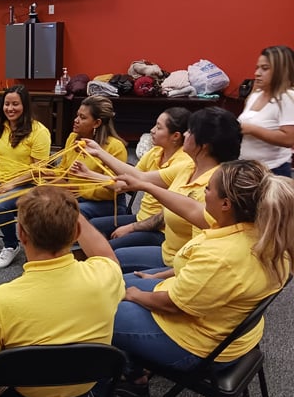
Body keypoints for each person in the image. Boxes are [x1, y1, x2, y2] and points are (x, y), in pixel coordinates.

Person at [112, 160, 294, 397]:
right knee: (120, 284)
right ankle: (133, 367)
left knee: (98, 307)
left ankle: (130, 382)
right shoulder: (261, 230)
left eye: (208, 189)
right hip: (224, 326)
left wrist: (135, 296)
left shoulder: (224, 256)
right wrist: (145, 185)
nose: (203, 194)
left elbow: (172, 304)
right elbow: (191, 210)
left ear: (226, 204)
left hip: (199, 346)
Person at [0, 186, 124, 397]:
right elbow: (107, 256)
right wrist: (70, 210)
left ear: (21, 234)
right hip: (85, 389)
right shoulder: (105, 277)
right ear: (76, 232)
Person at [81, 107, 242, 282]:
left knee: (115, 278)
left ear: (203, 146)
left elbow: (198, 257)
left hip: (181, 267)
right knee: (110, 259)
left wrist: (157, 276)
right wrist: (99, 152)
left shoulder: (212, 187)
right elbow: (140, 177)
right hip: (168, 252)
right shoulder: (190, 166)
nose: (185, 135)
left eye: (190, 131)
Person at [83, 108, 191, 249]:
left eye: (159, 127)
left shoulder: (184, 163)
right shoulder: (155, 152)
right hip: (141, 217)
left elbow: (139, 178)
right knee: (89, 227)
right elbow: (126, 183)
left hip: (159, 228)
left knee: (107, 248)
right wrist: (88, 174)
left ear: (175, 136)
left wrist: (99, 153)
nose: (152, 130)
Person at [0, 85, 51, 269]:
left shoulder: (39, 131)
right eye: (7, 104)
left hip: (28, 185)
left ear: (25, 106)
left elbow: (38, 169)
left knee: (0, 206)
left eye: (15, 104)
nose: (10, 108)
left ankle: (11, 244)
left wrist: (11, 184)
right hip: (0, 181)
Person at [53, 95, 128, 221]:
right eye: (77, 115)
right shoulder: (73, 138)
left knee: (65, 211)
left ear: (97, 123)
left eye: (82, 117)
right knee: (40, 201)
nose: (76, 120)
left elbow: (110, 191)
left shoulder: (115, 147)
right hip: (75, 196)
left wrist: (77, 190)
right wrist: (50, 175)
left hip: (107, 203)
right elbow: (63, 170)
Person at [238, 45, 294, 176]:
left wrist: (251, 129)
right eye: (257, 68)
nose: (257, 73)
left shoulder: (288, 97)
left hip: (273, 171)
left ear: (281, 71)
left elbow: (288, 139)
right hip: (248, 168)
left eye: (265, 68)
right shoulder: (256, 94)